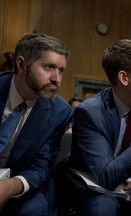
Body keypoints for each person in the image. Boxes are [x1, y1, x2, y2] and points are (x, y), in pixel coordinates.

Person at [56, 39, 131, 216]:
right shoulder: (90, 113)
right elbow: (106, 177)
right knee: (105, 208)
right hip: (92, 183)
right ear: (124, 77)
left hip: (126, 180)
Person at [0, 33, 73, 215]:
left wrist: (9, 187)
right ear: (22, 64)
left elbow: (41, 165)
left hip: (19, 180)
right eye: (49, 67)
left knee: (36, 209)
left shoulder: (60, 112)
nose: (57, 78)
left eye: (61, 70)